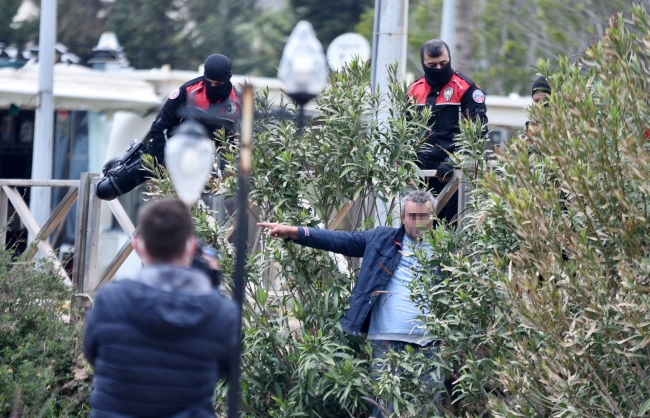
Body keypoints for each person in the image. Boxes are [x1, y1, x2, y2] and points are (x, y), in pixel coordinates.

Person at [258, 190, 444, 417]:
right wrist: (295, 232)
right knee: (385, 410)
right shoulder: (381, 239)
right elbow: (339, 240)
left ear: (432, 218)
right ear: (403, 217)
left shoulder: (444, 249)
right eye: (412, 216)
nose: (417, 222)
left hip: (430, 345)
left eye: (423, 216)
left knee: (430, 410)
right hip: (387, 343)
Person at [83, 197, 239, 417]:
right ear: (192, 246)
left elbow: (92, 354)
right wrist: (211, 286)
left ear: (138, 245)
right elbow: (227, 368)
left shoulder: (110, 300)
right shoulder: (222, 313)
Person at [96, 54, 242, 201]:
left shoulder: (237, 104)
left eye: (218, 84)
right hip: (167, 151)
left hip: (201, 162)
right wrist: (165, 161)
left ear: (227, 79)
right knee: (105, 189)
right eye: (209, 82)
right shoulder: (187, 92)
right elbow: (158, 128)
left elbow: (235, 145)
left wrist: (221, 174)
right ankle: (120, 165)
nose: (213, 87)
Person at [408, 39, 488, 223]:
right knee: (419, 231)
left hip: (454, 175)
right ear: (423, 64)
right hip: (421, 174)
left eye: (443, 64)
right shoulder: (413, 90)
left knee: (449, 230)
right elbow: (405, 132)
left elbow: (477, 133)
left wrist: (454, 162)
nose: (438, 68)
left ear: (450, 59)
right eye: (432, 65)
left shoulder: (467, 89)